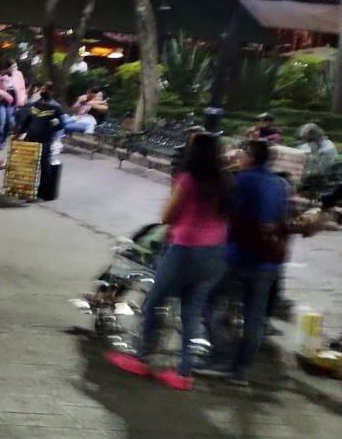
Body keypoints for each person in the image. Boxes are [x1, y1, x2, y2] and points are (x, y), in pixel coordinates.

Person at [105, 134, 231, 390]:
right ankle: (184, 373)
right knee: (192, 312)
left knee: (153, 303)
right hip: (216, 253)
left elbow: (167, 216)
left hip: (186, 250)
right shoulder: (227, 182)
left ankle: (142, 357)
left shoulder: (189, 179)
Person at [191, 140, 290, 387]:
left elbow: (224, 210)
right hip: (269, 261)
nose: (240, 156)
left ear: (251, 156)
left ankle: (221, 358)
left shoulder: (242, 180)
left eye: (243, 152)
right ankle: (240, 371)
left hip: (238, 257)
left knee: (207, 299)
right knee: (254, 318)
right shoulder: (280, 184)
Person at [0, 59, 26, 149]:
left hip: (13, 103)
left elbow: (22, 88)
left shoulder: (18, 74)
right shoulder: (1, 75)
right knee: (1, 121)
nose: (14, 68)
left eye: (15, 66)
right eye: (12, 67)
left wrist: (22, 99)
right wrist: (5, 94)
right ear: (7, 68)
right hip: (2, 101)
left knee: (9, 122)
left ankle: (3, 139)